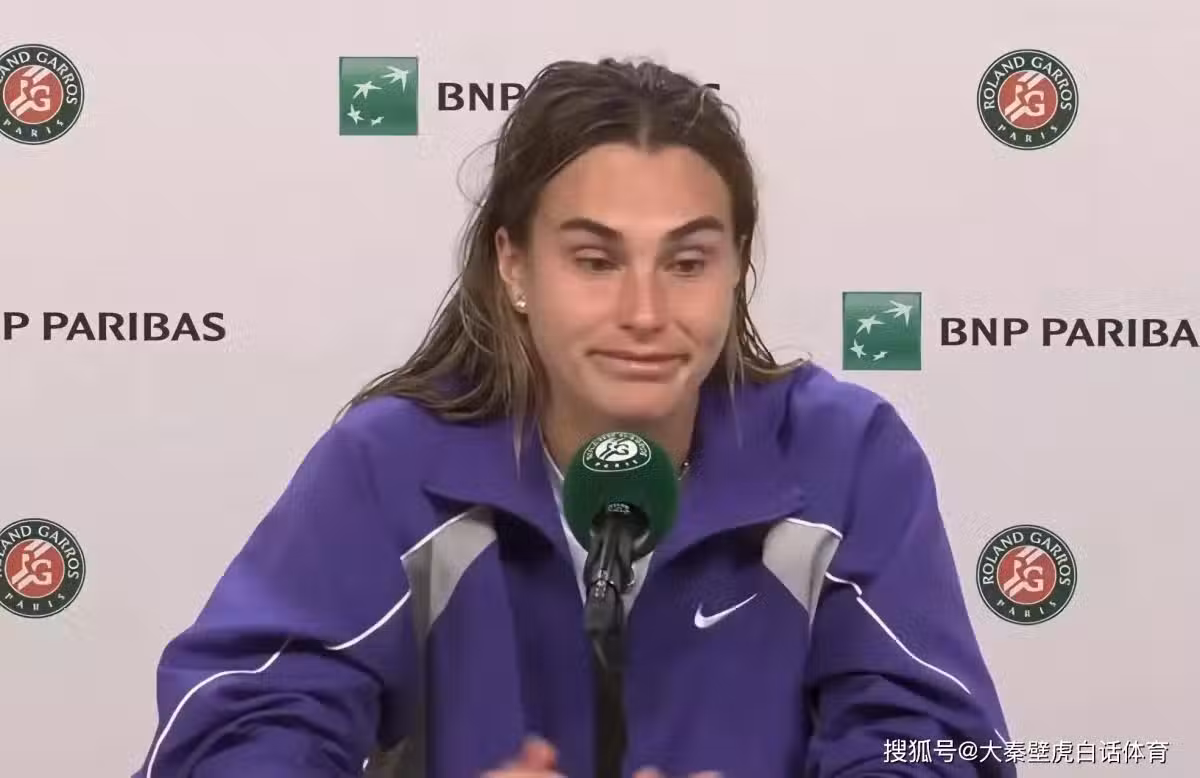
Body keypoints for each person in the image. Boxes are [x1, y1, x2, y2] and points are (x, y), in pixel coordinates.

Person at [133, 57, 1015, 777]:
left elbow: (933, 742)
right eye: (596, 261)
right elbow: (239, 725)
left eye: (688, 263)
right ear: (514, 267)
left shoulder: (844, 457)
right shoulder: (392, 462)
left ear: (738, 267)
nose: (645, 313)